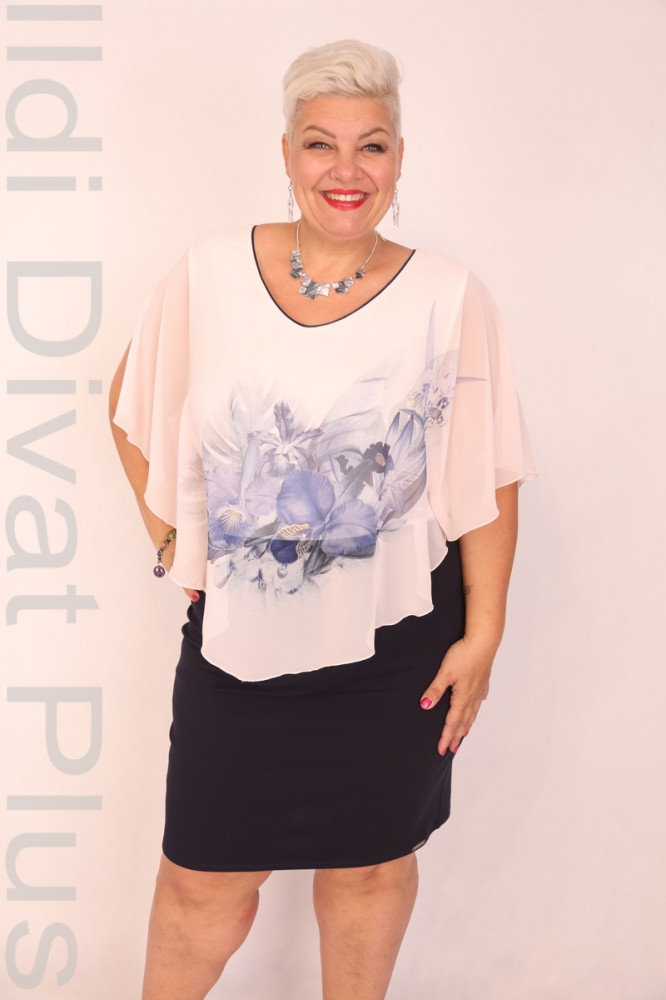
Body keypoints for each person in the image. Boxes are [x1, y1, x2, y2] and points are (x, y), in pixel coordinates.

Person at [109, 38, 535, 1000]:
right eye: (320, 144)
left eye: (371, 146)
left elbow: (491, 475)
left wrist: (485, 635)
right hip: (238, 646)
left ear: (399, 158)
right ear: (288, 153)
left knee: (370, 871)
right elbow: (129, 405)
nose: (347, 170)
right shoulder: (210, 271)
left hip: (394, 653)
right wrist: (174, 543)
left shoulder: (449, 297)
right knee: (202, 887)